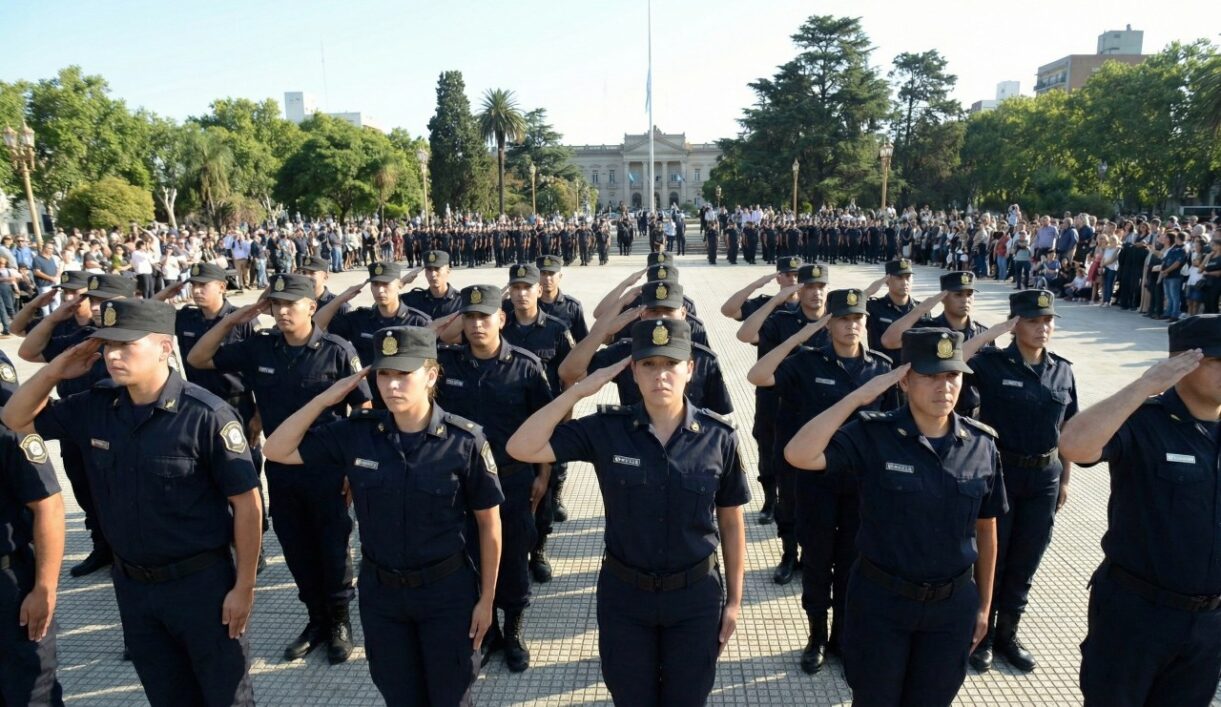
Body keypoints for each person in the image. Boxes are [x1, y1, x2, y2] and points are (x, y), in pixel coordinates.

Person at [3, 298, 263, 706]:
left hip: (200, 585)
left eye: (126, 345)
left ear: (163, 347)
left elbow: (246, 504)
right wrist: (55, 371)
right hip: (134, 587)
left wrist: (244, 586)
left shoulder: (205, 414)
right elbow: (15, 418)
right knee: (165, 693)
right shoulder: (96, 406)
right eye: (107, 346)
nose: (113, 355)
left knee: (225, 694)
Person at [507, 318, 748, 707]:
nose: (660, 376)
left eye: (671, 364)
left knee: (687, 699)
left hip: (695, 598)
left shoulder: (719, 438)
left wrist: (735, 601)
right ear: (633, 370)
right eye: (649, 364)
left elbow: (732, 523)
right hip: (625, 597)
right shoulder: (607, 429)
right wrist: (580, 390)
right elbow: (521, 446)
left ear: (690, 368)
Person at [264, 326, 504, 706]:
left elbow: (489, 524)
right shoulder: (356, 434)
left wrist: (487, 599)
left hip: (446, 592)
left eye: (403, 374)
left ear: (430, 374)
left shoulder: (464, 441)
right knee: (398, 693)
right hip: (382, 595)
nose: (391, 385)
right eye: (383, 374)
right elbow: (276, 449)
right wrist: (326, 399)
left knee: (450, 695)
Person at [784, 328, 1005, 706]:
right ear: (904, 380)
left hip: (951, 608)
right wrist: (859, 396)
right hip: (882, 603)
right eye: (930, 375)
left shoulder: (981, 445)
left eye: (952, 375)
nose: (945, 387)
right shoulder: (874, 434)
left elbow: (987, 529)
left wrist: (984, 606)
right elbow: (799, 454)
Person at [186, 272, 371, 665]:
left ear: (311, 306)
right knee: (295, 545)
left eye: (291, 304)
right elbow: (198, 358)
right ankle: (315, 619)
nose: (282, 312)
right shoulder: (260, 348)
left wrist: (352, 467)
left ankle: (340, 622)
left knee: (333, 546)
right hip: (281, 469)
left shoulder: (337, 350)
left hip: (327, 468)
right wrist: (231, 320)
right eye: (276, 304)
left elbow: (364, 407)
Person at [1059, 315, 1221, 707]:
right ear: (1185, 363)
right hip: (1136, 615)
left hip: (1209, 626)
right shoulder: (1144, 420)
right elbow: (1074, 445)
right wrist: (1146, 385)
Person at [747, 288, 897, 674]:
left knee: (852, 563)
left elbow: (892, 430)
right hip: (813, 479)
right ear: (829, 323)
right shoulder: (807, 363)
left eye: (857, 319)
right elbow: (758, 374)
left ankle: (842, 637)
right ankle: (815, 636)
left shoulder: (880, 370)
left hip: (860, 485)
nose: (851, 326)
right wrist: (800, 336)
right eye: (842, 319)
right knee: (815, 561)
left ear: (866, 322)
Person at [434, 284, 554, 673]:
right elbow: (418, 340)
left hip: (512, 481)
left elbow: (544, 426)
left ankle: (513, 631)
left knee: (515, 555)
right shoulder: (446, 364)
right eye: (468, 317)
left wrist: (544, 476)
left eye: (484, 316)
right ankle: (485, 633)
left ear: (501, 319)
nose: (476, 325)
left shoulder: (526, 366)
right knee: (469, 555)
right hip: (463, 485)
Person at [960, 290, 1077, 674]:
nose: (1043, 328)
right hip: (1002, 474)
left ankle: (1009, 633)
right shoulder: (993, 363)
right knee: (995, 555)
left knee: (1027, 557)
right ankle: (983, 634)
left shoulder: (1063, 369)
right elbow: (954, 358)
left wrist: (1065, 480)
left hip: (1044, 476)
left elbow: (1068, 431)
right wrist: (995, 329)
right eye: (1033, 320)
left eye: (1048, 321)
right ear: (1015, 325)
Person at [17, 273, 134, 578]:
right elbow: (27, 351)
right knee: (85, 488)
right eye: (93, 299)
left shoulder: (137, 337)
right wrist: (54, 317)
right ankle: (102, 547)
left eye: (103, 300)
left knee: (122, 491)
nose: (96, 306)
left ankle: (126, 551)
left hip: (118, 426)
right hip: (74, 424)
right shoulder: (85, 337)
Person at [736, 263, 832, 585]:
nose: (816, 292)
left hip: (826, 424)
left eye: (821, 286)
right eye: (809, 286)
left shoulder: (838, 322)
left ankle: (815, 556)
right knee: (788, 494)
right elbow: (745, 334)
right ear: (798, 290)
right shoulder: (782, 320)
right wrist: (776, 299)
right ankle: (789, 553)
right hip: (784, 414)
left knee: (824, 498)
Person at [499, 264, 575, 584]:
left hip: (545, 421)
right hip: (508, 421)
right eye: (515, 288)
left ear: (538, 290)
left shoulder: (556, 330)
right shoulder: (500, 326)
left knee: (542, 492)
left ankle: (538, 551)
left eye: (526, 287)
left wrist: (565, 417)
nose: (520, 294)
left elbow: (569, 376)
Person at [560, 281, 732, 415]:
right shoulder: (625, 352)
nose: (662, 317)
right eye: (654, 311)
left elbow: (720, 418)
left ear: (683, 314)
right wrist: (603, 331)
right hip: (636, 443)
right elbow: (570, 373)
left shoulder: (704, 358)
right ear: (642, 314)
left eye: (668, 310)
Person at [719, 258, 802, 523]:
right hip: (770, 388)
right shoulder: (767, 304)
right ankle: (770, 500)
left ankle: (797, 500)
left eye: (797, 275)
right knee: (767, 443)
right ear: (779, 277)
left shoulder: (812, 309)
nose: (792, 280)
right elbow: (729, 310)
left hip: (803, 389)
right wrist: (760, 286)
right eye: (787, 275)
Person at [0, 419, 65, 706]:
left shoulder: (9, 426)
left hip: (9, 586)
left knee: (30, 693)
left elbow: (48, 507)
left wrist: (44, 588)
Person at [314, 262, 434, 408]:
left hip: (405, 402)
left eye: (385, 284)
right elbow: (317, 326)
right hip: (369, 403)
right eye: (375, 284)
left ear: (399, 284)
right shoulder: (360, 319)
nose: (380, 290)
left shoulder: (418, 322)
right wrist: (341, 298)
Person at [866, 258, 923, 363]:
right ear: (887, 281)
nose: (905, 282)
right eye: (899, 278)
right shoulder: (874, 307)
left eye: (908, 277)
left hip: (912, 372)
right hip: (883, 371)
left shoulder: (921, 310)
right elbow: (843, 310)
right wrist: (867, 293)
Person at [399, 251, 463, 319]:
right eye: (429, 269)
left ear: (448, 271)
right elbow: (389, 302)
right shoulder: (416, 299)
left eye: (437, 269)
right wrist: (401, 283)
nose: (433, 274)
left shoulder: (460, 301)